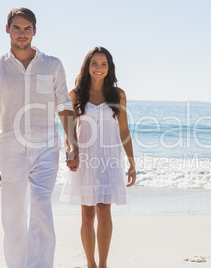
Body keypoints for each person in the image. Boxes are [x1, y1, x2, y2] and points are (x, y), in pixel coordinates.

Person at [0, 7, 78, 268]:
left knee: (41, 210)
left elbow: (64, 105)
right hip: (11, 150)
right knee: (12, 218)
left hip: (47, 149)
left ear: (35, 31)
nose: (21, 33)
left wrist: (73, 143)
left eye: (26, 28)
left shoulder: (52, 65)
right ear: (7, 30)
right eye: (16, 28)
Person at [60, 46, 136, 268]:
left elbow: (124, 131)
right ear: (87, 66)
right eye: (94, 63)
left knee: (104, 211)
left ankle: (102, 264)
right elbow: (70, 132)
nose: (99, 68)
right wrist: (70, 151)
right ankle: (90, 264)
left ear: (109, 68)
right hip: (85, 158)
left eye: (103, 64)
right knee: (87, 214)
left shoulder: (118, 95)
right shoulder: (75, 95)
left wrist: (132, 163)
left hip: (110, 158)